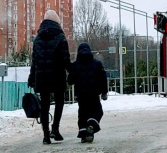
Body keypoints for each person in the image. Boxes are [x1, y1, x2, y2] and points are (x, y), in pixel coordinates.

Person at [28, 10, 71, 145]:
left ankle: (46, 135)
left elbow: (34, 61)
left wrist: (31, 78)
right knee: (59, 102)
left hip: (42, 76)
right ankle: (55, 129)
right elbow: (65, 60)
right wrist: (74, 72)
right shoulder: (60, 38)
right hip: (57, 76)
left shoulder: (38, 39)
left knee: (45, 104)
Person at [69, 42, 108, 143]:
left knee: (82, 113)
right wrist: (104, 92)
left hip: (81, 95)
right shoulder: (97, 64)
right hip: (94, 93)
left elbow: (70, 80)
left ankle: (83, 134)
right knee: (97, 111)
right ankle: (91, 125)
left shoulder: (75, 65)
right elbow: (103, 79)